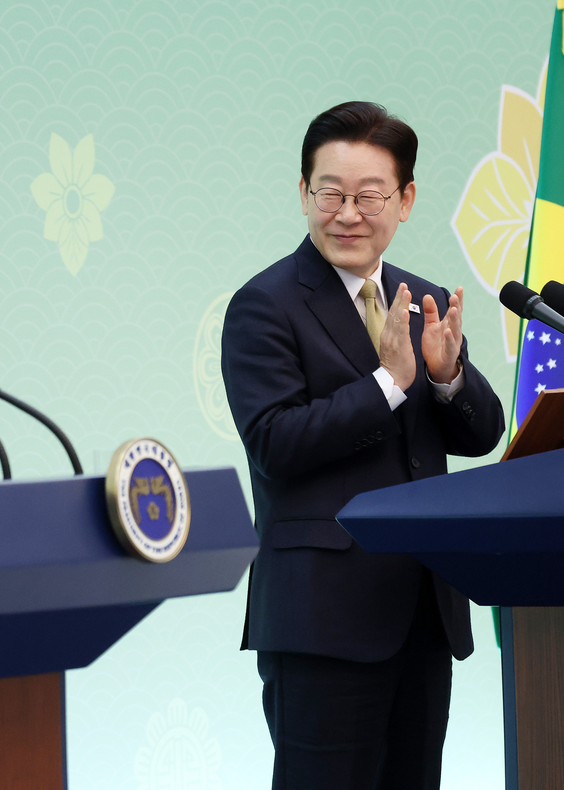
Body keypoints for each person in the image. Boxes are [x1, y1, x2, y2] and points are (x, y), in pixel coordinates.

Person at [221, 102, 506, 789]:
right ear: (303, 194)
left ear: (404, 201)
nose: (347, 213)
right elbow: (276, 443)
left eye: (369, 195)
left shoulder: (425, 299)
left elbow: (484, 433)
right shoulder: (265, 305)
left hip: (421, 612)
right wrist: (386, 383)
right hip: (323, 621)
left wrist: (446, 377)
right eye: (330, 193)